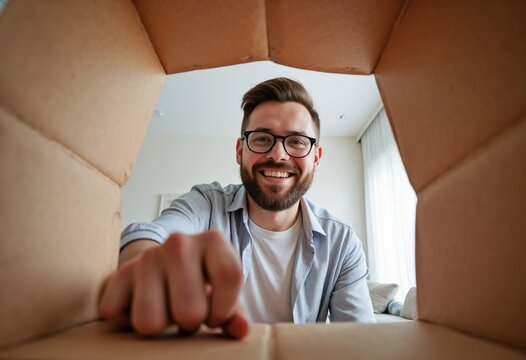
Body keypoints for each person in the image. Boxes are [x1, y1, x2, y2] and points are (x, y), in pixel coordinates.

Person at [98, 77, 375, 339]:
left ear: (316, 158)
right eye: (262, 138)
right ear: (240, 151)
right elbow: (153, 235)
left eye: (297, 142)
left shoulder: (342, 243)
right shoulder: (207, 203)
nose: (278, 154)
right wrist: (144, 261)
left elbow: (360, 342)